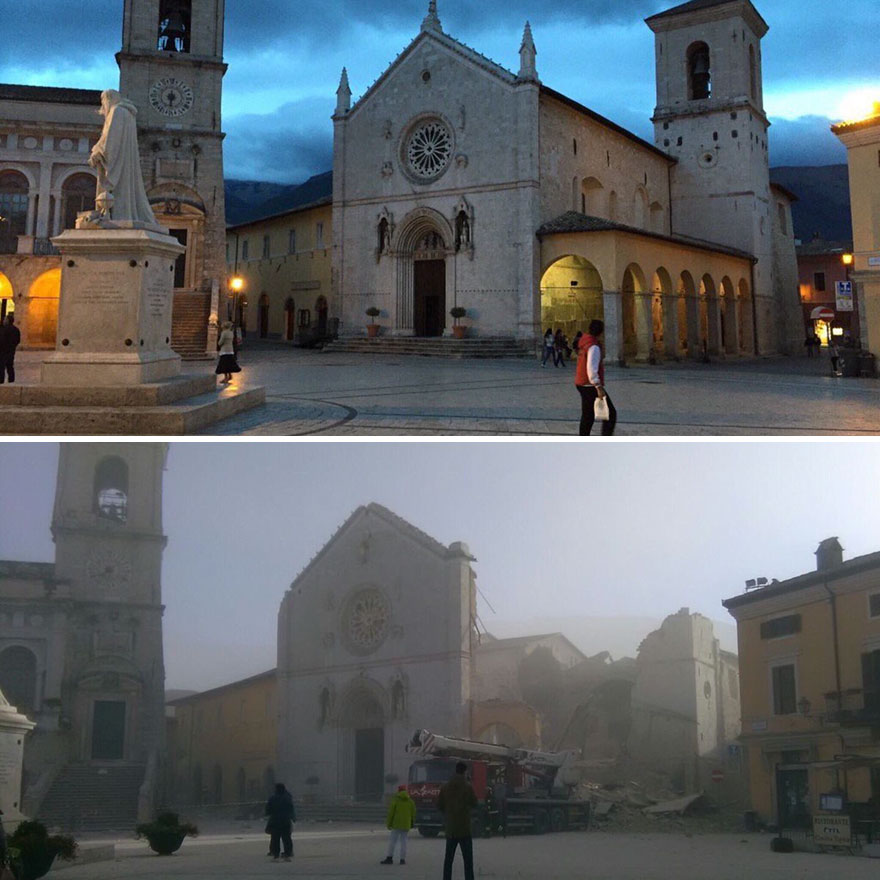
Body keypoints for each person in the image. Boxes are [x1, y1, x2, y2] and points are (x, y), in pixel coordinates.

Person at [88, 90, 156, 225]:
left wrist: (98, 153)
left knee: (116, 192)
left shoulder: (116, 111)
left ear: (108, 99)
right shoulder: (128, 114)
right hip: (126, 163)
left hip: (117, 163)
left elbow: (111, 141)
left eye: (103, 102)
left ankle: (115, 214)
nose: (103, 106)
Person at [575, 319, 617, 436]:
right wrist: (598, 387)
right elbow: (591, 368)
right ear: (601, 332)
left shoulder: (585, 342)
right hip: (589, 384)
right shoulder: (593, 346)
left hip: (581, 382)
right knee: (610, 413)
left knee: (588, 415)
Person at [437, 762, 477, 880]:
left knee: (448, 859)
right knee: (468, 860)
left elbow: (439, 805)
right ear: (465, 772)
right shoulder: (468, 787)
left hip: (451, 829)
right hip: (464, 829)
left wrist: (449, 813)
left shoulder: (445, 787)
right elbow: (474, 803)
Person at [380, 784, 416, 865]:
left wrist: (389, 823)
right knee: (404, 842)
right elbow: (413, 813)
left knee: (392, 841)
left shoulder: (396, 800)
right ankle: (402, 859)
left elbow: (391, 813)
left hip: (396, 824)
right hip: (406, 824)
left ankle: (389, 858)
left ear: (399, 791)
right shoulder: (411, 801)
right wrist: (412, 822)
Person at [265, 782, 295, 862]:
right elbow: (291, 808)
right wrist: (293, 818)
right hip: (285, 821)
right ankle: (287, 854)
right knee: (287, 838)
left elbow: (268, 810)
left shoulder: (272, 798)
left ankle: (276, 855)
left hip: (275, 821)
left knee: (275, 838)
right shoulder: (287, 797)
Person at [0, 314, 21, 384]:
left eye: (4, 319)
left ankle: (1, 381)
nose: (3, 321)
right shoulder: (16, 330)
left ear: (8, 321)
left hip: (3, 351)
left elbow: (1, 340)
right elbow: (18, 340)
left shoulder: (3, 329)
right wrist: (13, 346)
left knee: (1, 367)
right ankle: (11, 381)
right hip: (11, 351)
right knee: (10, 366)